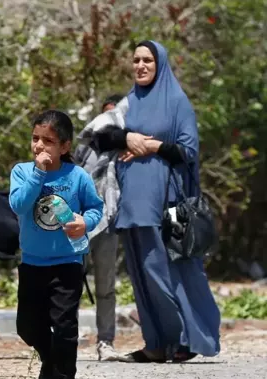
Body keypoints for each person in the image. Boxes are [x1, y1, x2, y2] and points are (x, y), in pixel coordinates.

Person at [92, 40, 221, 362]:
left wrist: (153, 146)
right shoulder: (127, 103)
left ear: (159, 63)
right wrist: (127, 138)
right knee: (142, 273)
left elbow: (187, 152)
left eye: (147, 60)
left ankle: (183, 340)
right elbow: (98, 135)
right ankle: (156, 343)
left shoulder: (178, 102)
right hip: (131, 202)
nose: (140, 66)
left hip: (167, 203)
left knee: (168, 271)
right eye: (135, 60)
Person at [10, 110, 103, 379]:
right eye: (35, 138)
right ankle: (49, 357)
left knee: (64, 324)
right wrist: (39, 172)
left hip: (67, 262)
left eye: (48, 141)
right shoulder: (22, 172)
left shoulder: (77, 177)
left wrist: (84, 223)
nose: (39, 146)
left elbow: (95, 208)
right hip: (33, 263)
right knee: (26, 325)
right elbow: (19, 204)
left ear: (64, 146)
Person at [73, 94, 123, 362]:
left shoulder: (125, 151)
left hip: (109, 225)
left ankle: (106, 342)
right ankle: (68, 339)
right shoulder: (85, 148)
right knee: (71, 284)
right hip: (80, 224)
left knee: (106, 287)